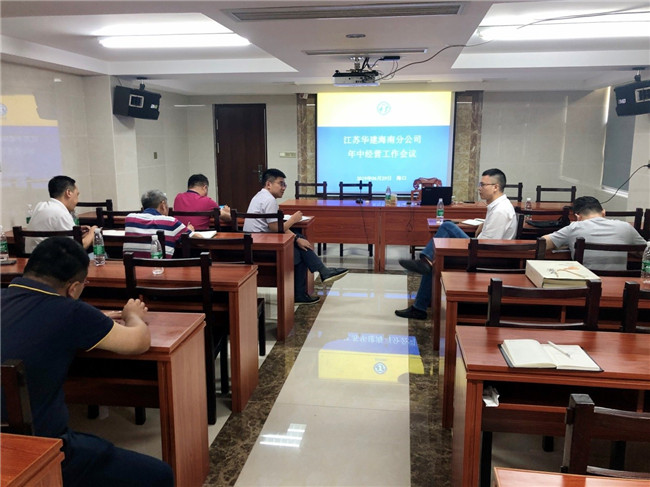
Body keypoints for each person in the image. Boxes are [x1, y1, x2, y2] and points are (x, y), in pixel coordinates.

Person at [1, 237, 173, 487]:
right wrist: (133, 316)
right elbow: (139, 341)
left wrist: (94, 318)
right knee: (160, 475)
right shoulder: (71, 312)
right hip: (39, 450)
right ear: (73, 289)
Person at [395, 168, 518, 319]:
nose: (479, 188)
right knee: (436, 258)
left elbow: (486, 246)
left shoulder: (500, 211)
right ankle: (420, 299)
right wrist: (484, 224)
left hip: (486, 259)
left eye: (483, 185)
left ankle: (424, 267)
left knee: (447, 227)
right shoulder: (499, 206)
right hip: (484, 251)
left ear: (495, 187)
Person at [243, 168, 348, 304]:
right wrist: (293, 219)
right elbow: (275, 228)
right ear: (269, 184)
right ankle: (313, 281)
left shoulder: (259, 196)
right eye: (281, 184)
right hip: (262, 247)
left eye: (284, 184)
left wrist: (297, 238)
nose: (284, 188)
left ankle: (320, 274)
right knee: (300, 252)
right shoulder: (269, 200)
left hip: (257, 242)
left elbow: (275, 227)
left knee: (299, 240)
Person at [543, 196, 647, 270]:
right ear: (604, 212)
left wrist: (565, 244)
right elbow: (646, 251)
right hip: (620, 285)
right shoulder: (625, 227)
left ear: (578, 217)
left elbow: (543, 242)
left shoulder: (573, 228)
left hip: (586, 285)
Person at [26, 175, 97, 252]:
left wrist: (76, 232)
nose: (77, 201)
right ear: (68, 193)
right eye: (77, 194)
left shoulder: (40, 206)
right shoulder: (61, 213)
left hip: (33, 258)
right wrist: (92, 232)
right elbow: (77, 249)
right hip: (51, 259)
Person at [124, 189, 199, 258]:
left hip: (132, 267)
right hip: (160, 267)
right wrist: (189, 230)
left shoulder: (130, 218)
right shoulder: (170, 222)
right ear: (163, 205)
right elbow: (197, 239)